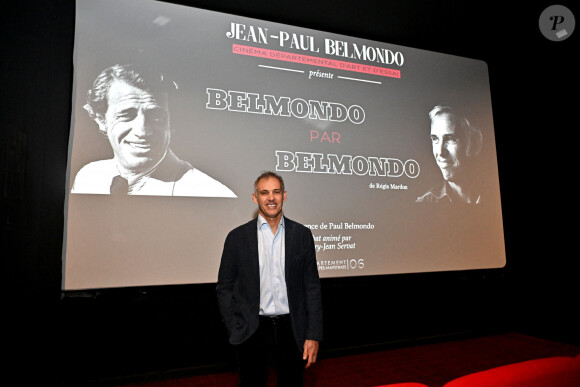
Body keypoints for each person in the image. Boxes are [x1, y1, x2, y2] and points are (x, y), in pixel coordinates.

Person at [216, 171, 323, 387]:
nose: (271, 198)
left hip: (292, 330)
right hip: (253, 330)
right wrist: (236, 328)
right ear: (255, 198)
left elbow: (311, 287)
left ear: (284, 196)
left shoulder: (302, 235)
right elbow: (224, 288)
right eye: (264, 193)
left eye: (276, 192)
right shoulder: (237, 238)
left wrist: (313, 334)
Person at [71, 64, 236, 197]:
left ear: (172, 124)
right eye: (126, 115)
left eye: (155, 116)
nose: (142, 131)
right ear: (101, 120)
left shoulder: (210, 194)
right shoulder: (88, 177)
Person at [416, 105, 483, 203]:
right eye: (435, 139)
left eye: (450, 139)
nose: (440, 152)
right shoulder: (424, 203)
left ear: (474, 143)